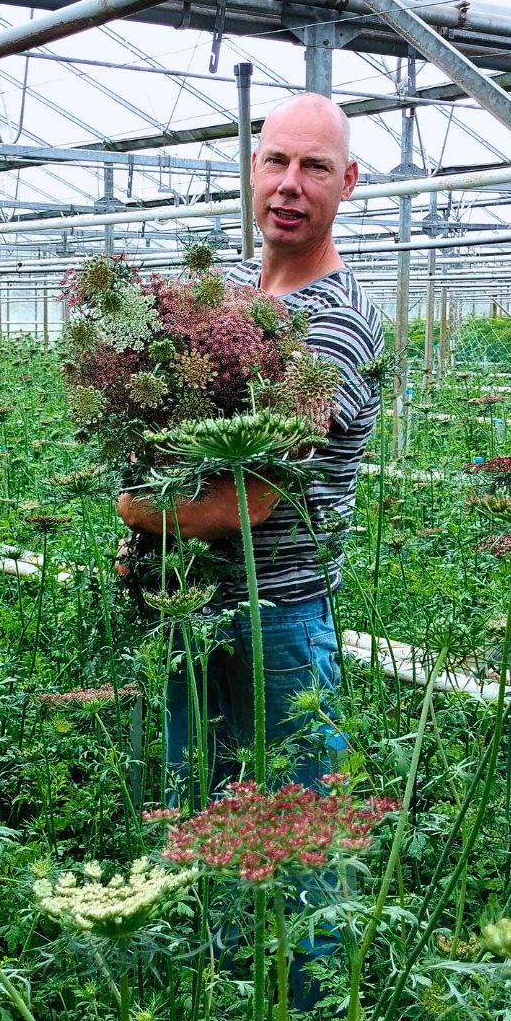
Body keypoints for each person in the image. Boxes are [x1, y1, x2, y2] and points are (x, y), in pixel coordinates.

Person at [118, 91, 383, 805]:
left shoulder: (338, 324)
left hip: (279, 620)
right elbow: (160, 429)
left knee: (294, 855)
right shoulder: (222, 290)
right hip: (187, 602)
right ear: (252, 169)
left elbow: (250, 502)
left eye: (315, 167)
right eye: (276, 161)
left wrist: (134, 513)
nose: (290, 184)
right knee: (195, 825)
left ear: (348, 181)